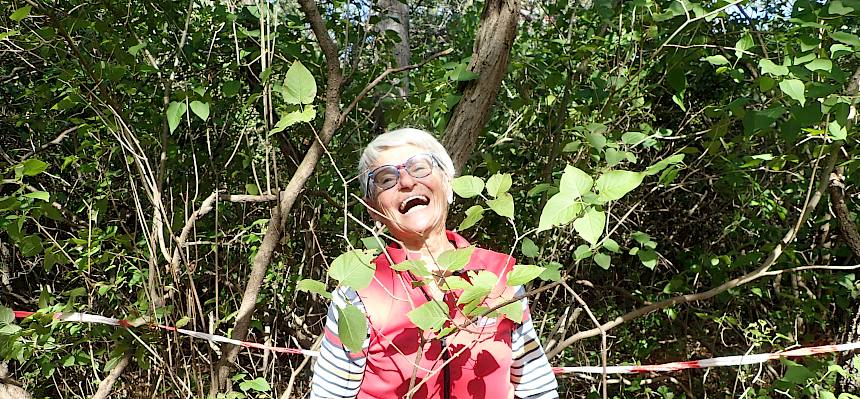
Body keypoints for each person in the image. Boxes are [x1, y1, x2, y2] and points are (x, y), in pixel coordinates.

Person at [310, 128, 559, 399]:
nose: (405, 181)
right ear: (374, 210)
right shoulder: (359, 289)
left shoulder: (501, 277)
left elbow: (537, 388)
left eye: (419, 167)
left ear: (448, 183)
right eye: (386, 178)